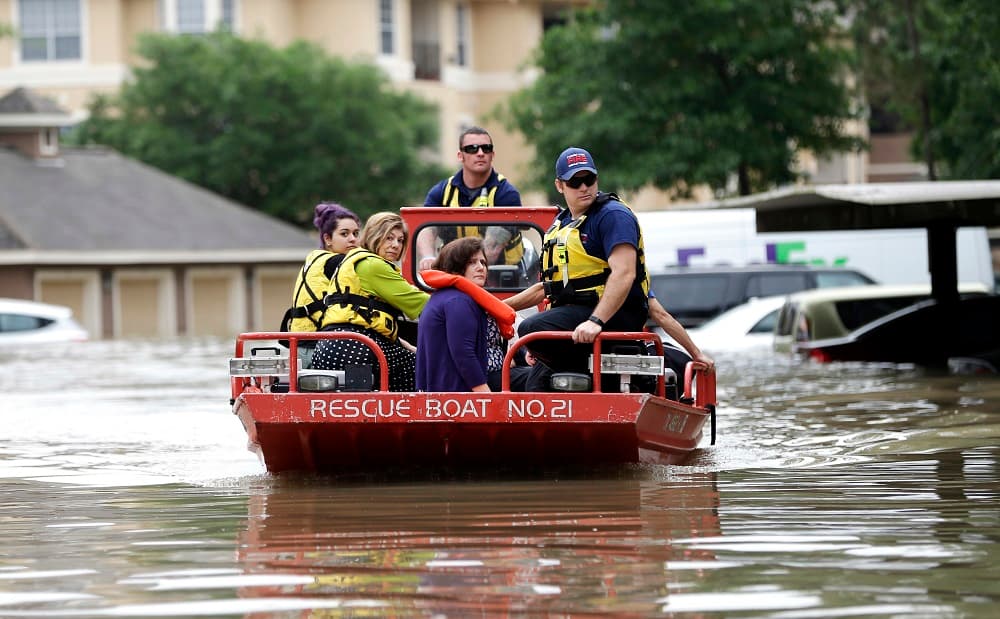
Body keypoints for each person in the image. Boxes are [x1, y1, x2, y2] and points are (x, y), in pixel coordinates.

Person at [511, 147, 652, 392]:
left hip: (611, 314)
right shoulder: (563, 223)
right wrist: (496, 307)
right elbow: (546, 288)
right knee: (535, 385)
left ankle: (594, 374)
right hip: (576, 316)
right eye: (575, 182)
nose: (584, 187)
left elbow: (625, 273)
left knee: (531, 329)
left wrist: (596, 321)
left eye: (589, 179)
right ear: (559, 185)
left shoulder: (612, 216)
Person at [310, 212, 429, 392]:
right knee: (422, 370)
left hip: (330, 345)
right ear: (374, 236)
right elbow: (423, 303)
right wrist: (460, 304)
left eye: (400, 240)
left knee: (412, 358)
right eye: (389, 238)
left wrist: (412, 348)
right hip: (355, 347)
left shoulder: (356, 260)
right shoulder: (373, 265)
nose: (396, 245)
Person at [416, 237, 521, 392]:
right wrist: (485, 395)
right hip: (457, 394)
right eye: (472, 262)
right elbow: (463, 353)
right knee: (537, 378)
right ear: (455, 266)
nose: (481, 268)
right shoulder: (458, 301)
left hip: (446, 391)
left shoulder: (447, 296)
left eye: (483, 262)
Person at [418, 126, 523, 270]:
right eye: (472, 149)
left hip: (502, 278)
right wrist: (427, 256)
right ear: (460, 156)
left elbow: (491, 252)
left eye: (486, 148)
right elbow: (425, 227)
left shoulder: (506, 194)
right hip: (455, 272)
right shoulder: (442, 192)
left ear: (492, 154)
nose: (480, 153)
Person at [283, 203, 361, 334]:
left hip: (306, 339)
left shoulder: (317, 258)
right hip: (313, 342)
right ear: (328, 238)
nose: (352, 239)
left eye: (356, 233)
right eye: (344, 234)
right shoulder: (335, 262)